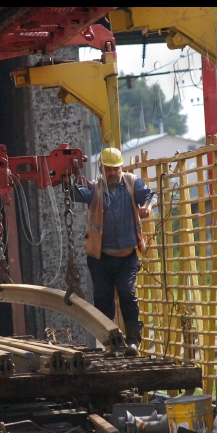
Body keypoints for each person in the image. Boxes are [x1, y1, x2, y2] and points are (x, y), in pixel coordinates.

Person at [73, 147, 155, 352]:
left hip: (126, 257)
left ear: (121, 168)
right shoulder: (95, 187)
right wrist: (68, 175)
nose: (112, 174)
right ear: (101, 169)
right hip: (101, 258)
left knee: (127, 293)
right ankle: (108, 342)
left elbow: (149, 196)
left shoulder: (132, 183)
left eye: (115, 169)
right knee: (102, 298)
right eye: (108, 169)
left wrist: (147, 206)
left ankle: (133, 340)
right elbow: (76, 194)